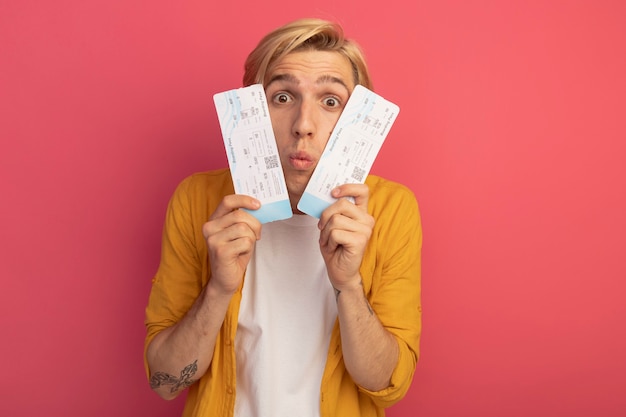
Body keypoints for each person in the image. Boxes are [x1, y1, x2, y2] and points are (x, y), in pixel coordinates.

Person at [144, 17, 422, 417]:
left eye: (330, 101)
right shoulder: (197, 200)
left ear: (356, 121)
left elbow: (385, 385)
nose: (303, 126)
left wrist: (348, 284)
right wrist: (219, 288)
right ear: (252, 110)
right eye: (282, 97)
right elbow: (166, 381)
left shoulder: (393, 210)